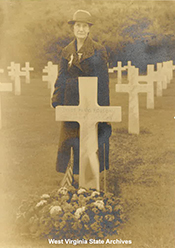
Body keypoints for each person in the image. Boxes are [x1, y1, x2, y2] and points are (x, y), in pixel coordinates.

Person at [51, 9, 111, 180]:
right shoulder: (67, 51)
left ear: (89, 29)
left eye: (85, 26)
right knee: (70, 138)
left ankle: (90, 177)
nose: (81, 30)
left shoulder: (98, 50)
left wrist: (103, 107)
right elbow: (61, 76)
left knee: (91, 139)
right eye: (78, 25)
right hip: (71, 101)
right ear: (73, 28)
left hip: (91, 101)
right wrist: (57, 99)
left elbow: (104, 80)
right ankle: (72, 177)